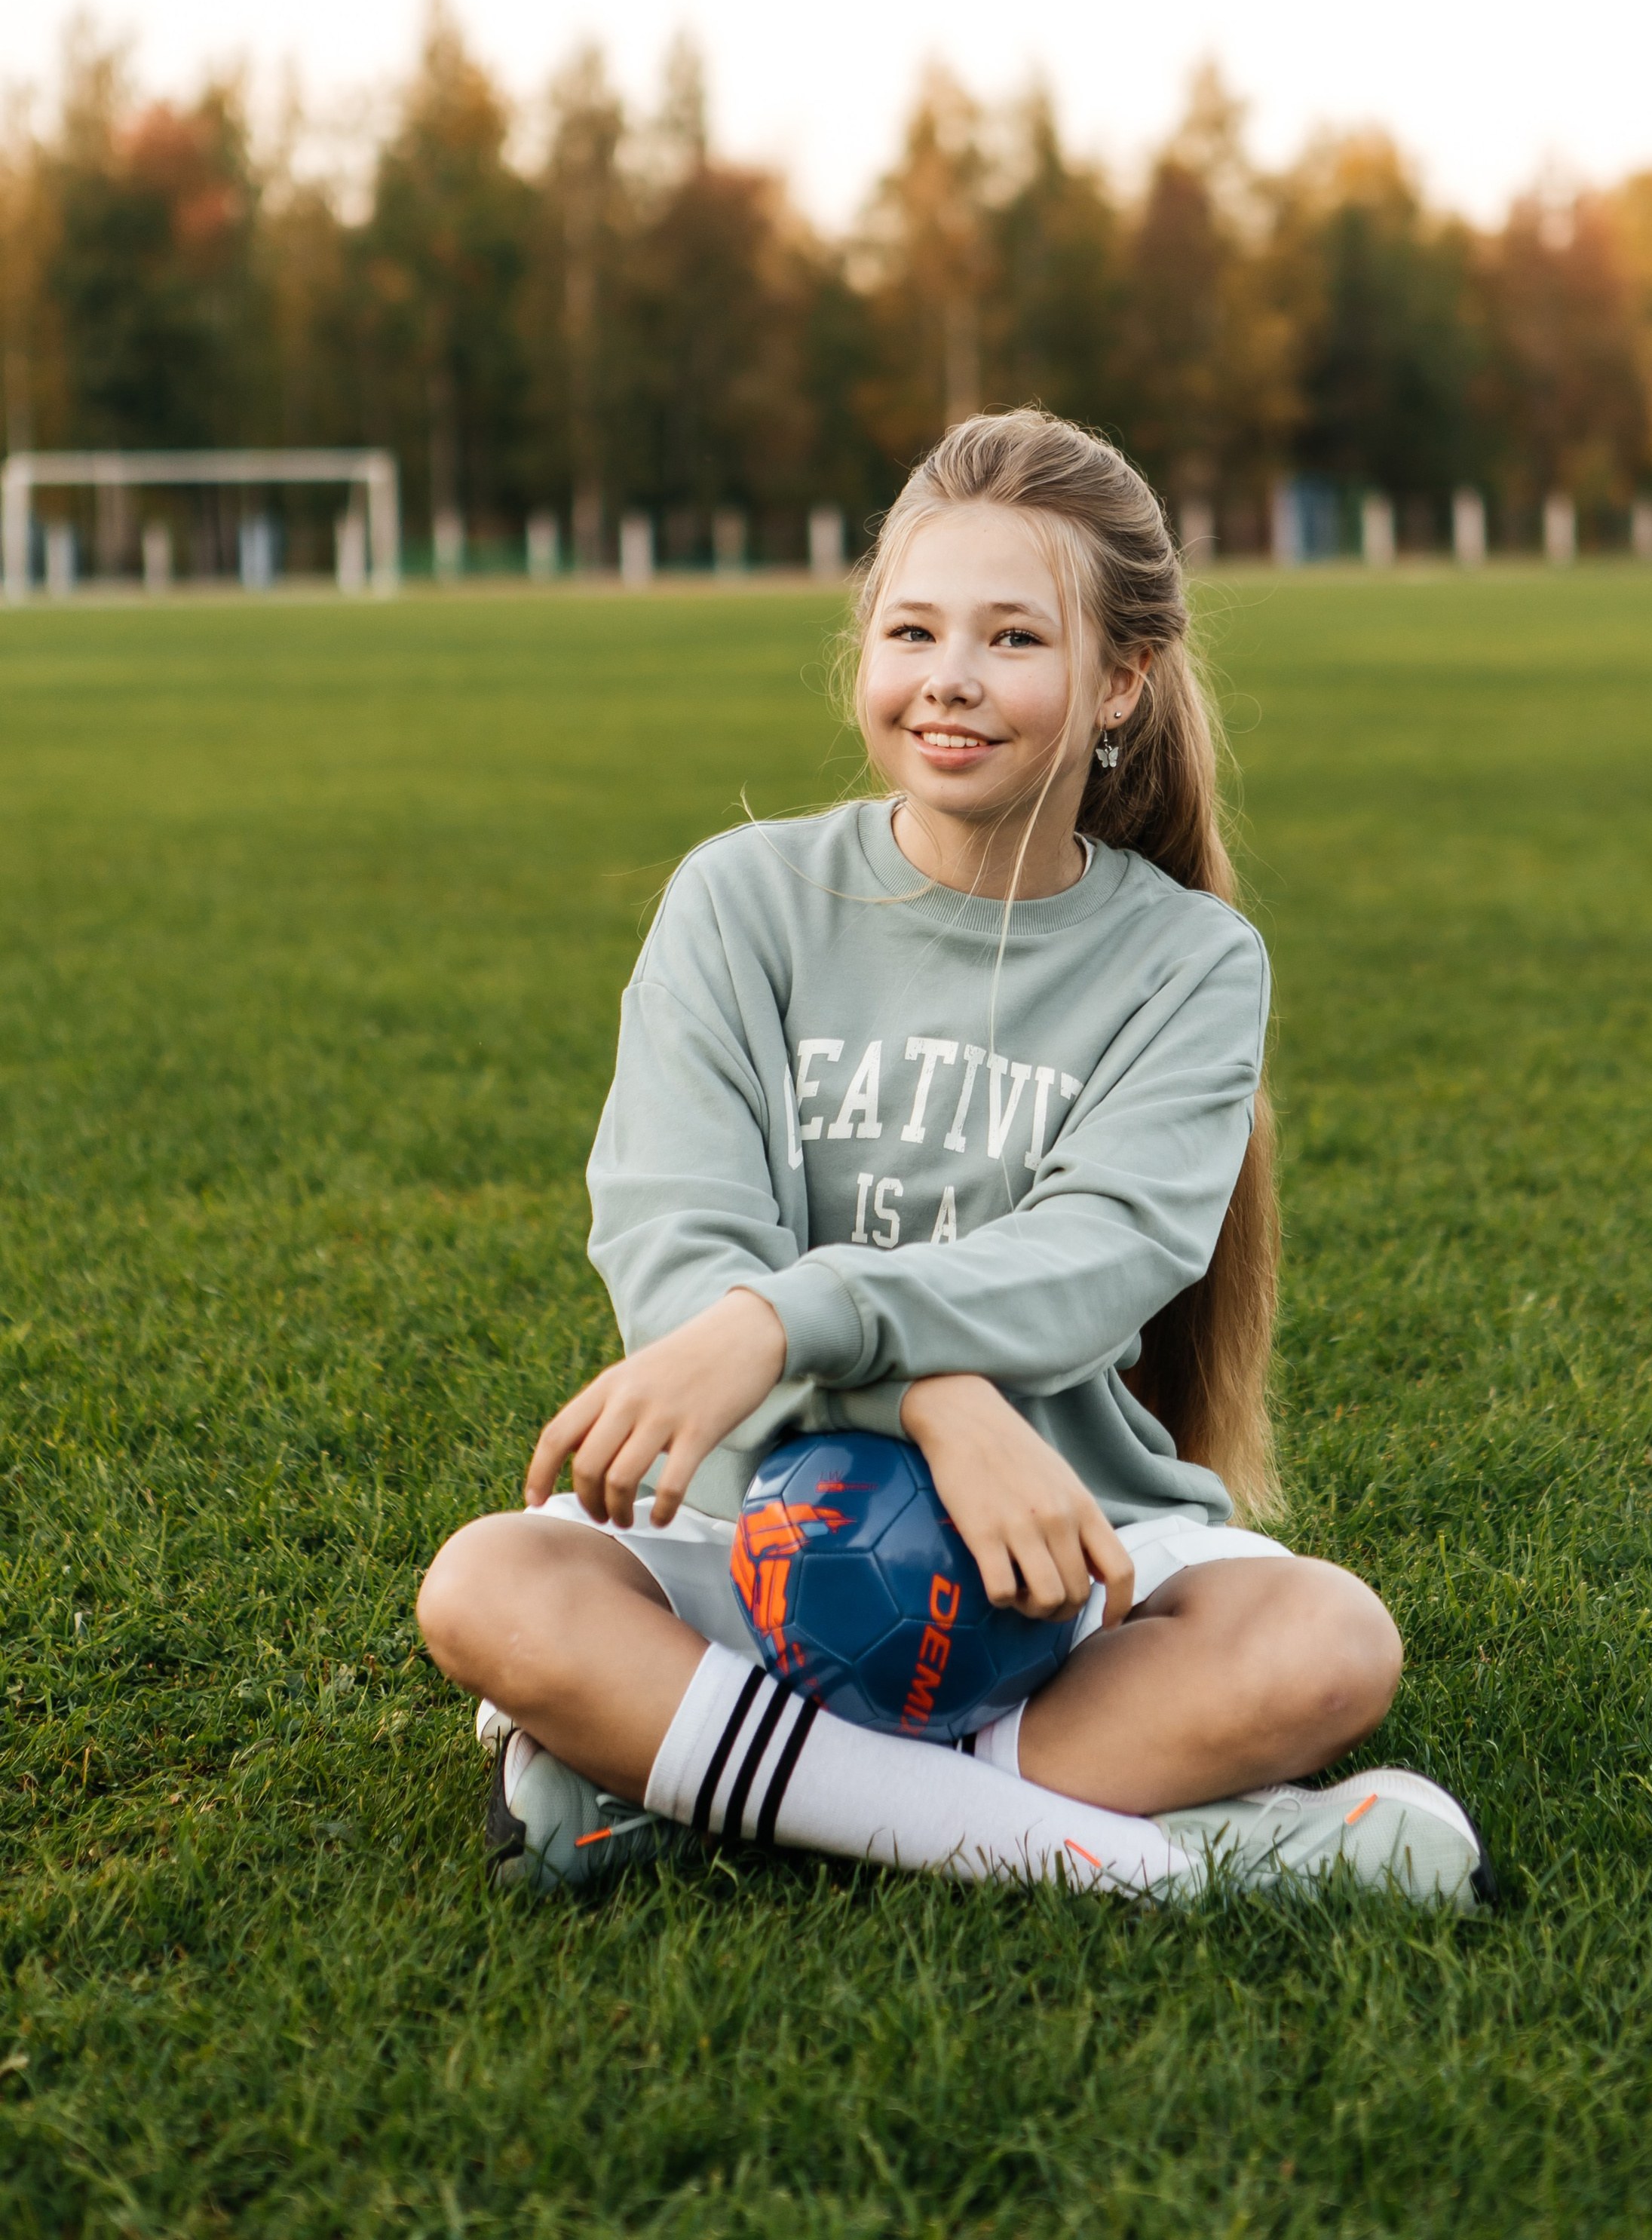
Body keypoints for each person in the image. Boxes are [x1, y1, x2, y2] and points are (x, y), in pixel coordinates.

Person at [417, 411, 1490, 1908]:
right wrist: (918, 1390)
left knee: (1326, 1645)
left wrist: (807, 1319)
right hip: (745, 1526)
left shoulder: (1185, 961)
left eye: (1010, 638)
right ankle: (1162, 1865)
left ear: (1118, 679)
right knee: (491, 1590)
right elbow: (678, 1249)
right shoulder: (740, 901)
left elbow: (1101, 1253)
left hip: (1053, 1544)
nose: (950, 681)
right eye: (912, 629)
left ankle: (674, 1773)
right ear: (864, 648)